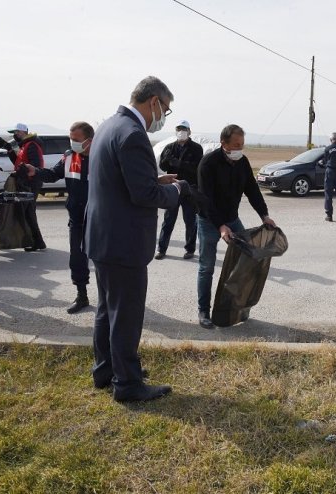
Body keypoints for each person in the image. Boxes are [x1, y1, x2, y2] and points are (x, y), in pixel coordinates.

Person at [85, 75, 190, 402]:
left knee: (108, 310)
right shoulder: (133, 134)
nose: (164, 117)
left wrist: (153, 177)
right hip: (123, 241)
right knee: (126, 315)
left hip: (104, 237)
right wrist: (173, 190)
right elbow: (144, 195)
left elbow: (119, 177)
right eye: (166, 109)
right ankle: (128, 384)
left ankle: (106, 370)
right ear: (154, 101)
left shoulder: (108, 126)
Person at [196, 124, 277, 329]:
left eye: (242, 145)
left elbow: (252, 190)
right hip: (208, 221)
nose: (240, 149)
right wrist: (221, 226)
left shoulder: (242, 161)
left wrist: (264, 215)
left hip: (232, 219)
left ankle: (239, 306)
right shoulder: (208, 164)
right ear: (224, 144)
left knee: (247, 260)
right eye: (236, 145)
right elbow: (205, 200)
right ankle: (203, 311)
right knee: (206, 267)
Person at [31, 121, 94, 314]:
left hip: (98, 218)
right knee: (77, 258)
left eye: (76, 139)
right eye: (70, 138)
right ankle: (81, 295)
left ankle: (112, 299)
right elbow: (52, 175)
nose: (72, 142)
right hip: (76, 216)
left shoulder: (103, 157)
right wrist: (35, 172)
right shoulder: (69, 157)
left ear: (89, 140)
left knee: (104, 260)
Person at [155, 120, 203, 260]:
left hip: (189, 189)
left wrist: (178, 163)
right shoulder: (169, 147)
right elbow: (163, 167)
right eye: (179, 129)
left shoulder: (196, 148)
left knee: (190, 220)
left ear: (189, 131)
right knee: (168, 220)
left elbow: (196, 169)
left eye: (184, 129)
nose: (181, 131)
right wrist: (167, 160)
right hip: (172, 189)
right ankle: (161, 249)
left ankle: (190, 249)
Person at [6, 123, 46, 250]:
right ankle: (37, 241)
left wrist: (18, 173)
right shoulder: (25, 145)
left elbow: (35, 165)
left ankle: (36, 241)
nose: (14, 135)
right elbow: (19, 163)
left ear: (23, 132)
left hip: (31, 183)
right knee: (28, 212)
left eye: (16, 132)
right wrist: (11, 152)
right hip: (26, 182)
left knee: (28, 212)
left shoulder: (31, 145)